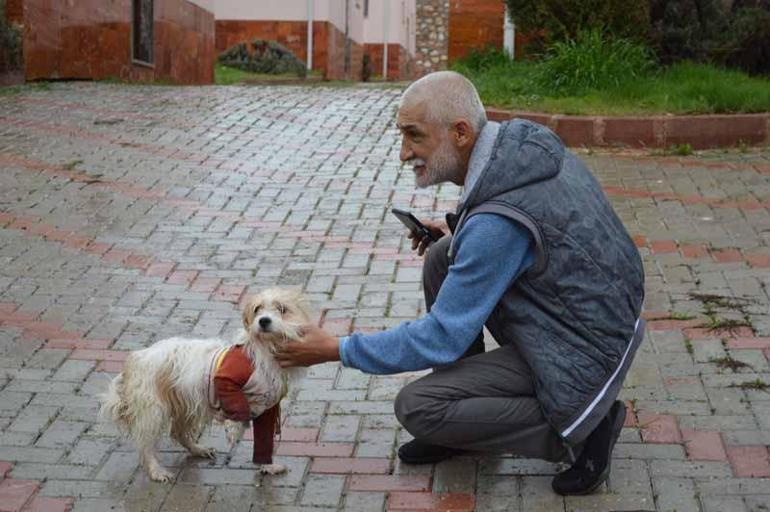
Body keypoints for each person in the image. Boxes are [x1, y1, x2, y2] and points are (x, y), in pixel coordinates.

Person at [275, 71, 645, 496]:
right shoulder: (518, 148)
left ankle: (583, 430)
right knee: (441, 256)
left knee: (417, 407)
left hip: (583, 350)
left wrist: (336, 350)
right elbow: (530, 231)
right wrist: (459, 229)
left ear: (461, 132)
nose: (403, 153)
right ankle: (467, 430)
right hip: (598, 318)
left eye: (414, 137)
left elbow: (440, 337)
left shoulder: (495, 226)